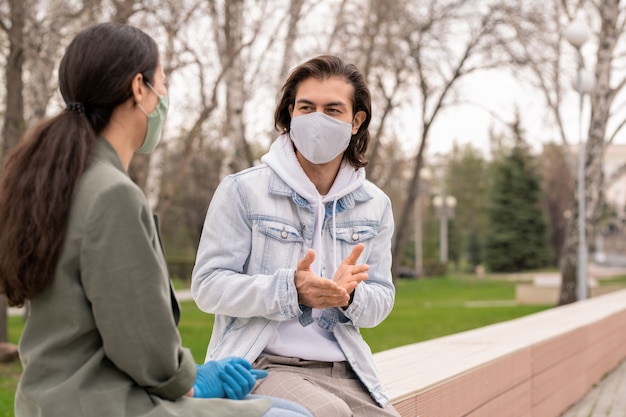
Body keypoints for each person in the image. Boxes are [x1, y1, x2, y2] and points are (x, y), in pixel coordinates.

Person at [0, 22, 312, 417]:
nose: (164, 97)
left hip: (50, 400)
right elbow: (143, 346)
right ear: (138, 89)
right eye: (162, 84)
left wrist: (190, 376)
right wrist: (192, 381)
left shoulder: (58, 181)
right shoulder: (113, 195)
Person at [191, 55, 400, 417]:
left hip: (346, 369)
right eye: (307, 107)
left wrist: (349, 297)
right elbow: (208, 286)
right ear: (290, 114)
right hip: (264, 365)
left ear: (356, 121)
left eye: (333, 110)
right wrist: (291, 289)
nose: (318, 119)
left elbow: (381, 298)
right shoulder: (242, 190)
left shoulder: (375, 205)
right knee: (330, 414)